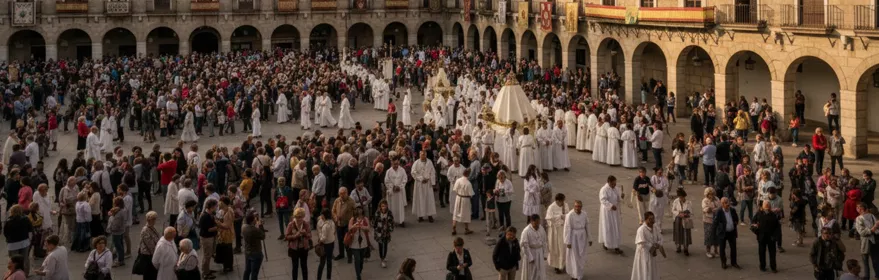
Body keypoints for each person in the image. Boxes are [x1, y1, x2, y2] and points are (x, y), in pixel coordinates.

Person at [631, 211, 663, 280]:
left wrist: (659, 244)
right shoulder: (641, 230)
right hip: (644, 254)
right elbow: (642, 243)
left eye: (653, 219)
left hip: (652, 253)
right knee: (645, 270)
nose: (652, 221)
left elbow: (660, 237)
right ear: (645, 220)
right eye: (650, 219)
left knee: (652, 269)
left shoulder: (655, 227)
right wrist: (653, 246)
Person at [564, 200, 592, 280]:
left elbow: (587, 225)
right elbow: (567, 228)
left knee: (581, 256)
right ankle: (574, 275)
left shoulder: (584, 214)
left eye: (579, 206)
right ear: (574, 206)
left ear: (581, 207)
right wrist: (568, 241)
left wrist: (590, 238)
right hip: (573, 237)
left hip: (582, 236)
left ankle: (579, 274)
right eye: (576, 206)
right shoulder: (570, 215)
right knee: (574, 256)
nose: (577, 208)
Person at [712, 197, 741, 269]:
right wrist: (714, 234)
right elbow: (715, 223)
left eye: (728, 202)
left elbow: (736, 218)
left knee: (733, 248)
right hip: (723, 232)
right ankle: (723, 263)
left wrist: (735, 222)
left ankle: (734, 262)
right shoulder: (719, 212)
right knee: (722, 248)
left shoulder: (732, 210)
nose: (728, 204)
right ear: (722, 204)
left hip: (731, 232)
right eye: (726, 203)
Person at [753, 201, 781, 272]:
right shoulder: (759, 214)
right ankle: (762, 266)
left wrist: (775, 236)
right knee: (761, 252)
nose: (767, 208)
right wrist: (757, 232)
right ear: (763, 207)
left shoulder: (773, 215)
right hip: (761, 237)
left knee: (772, 253)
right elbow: (753, 224)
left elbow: (777, 227)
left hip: (771, 237)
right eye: (766, 206)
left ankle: (773, 267)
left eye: (768, 206)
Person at [4, 205, 32, 275]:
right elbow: (30, 230)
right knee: (25, 259)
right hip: (24, 242)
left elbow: (6, 233)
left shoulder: (8, 221)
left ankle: (15, 274)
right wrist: (30, 239)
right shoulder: (26, 219)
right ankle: (25, 274)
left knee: (14, 261)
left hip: (13, 244)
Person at [598, 175, 623, 254]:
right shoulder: (604, 189)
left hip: (615, 211)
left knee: (616, 227)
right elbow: (603, 200)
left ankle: (616, 245)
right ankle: (606, 243)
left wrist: (621, 196)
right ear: (608, 182)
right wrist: (611, 206)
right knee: (608, 227)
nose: (614, 185)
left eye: (615, 183)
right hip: (607, 212)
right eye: (612, 184)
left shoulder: (616, 188)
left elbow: (618, 198)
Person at [545, 193, 568, 274]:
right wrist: (560, 216)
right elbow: (549, 218)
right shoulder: (551, 207)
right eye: (561, 201)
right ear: (557, 201)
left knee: (562, 247)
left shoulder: (565, 205)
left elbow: (567, 215)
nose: (563, 203)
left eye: (563, 201)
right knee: (555, 248)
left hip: (562, 229)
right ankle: (556, 265)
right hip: (554, 231)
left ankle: (563, 264)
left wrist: (563, 217)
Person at [855, 202, 879, 279]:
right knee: (875, 260)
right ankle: (877, 275)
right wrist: (874, 228)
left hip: (866, 242)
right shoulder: (872, 216)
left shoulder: (859, 218)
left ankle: (867, 276)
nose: (856, 209)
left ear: (861, 209)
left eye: (857, 208)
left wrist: (872, 229)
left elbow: (862, 232)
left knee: (866, 261)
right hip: (874, 241)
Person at [286, 207, 312, 280]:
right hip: (294, 249)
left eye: (300, 217)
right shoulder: (291, 224)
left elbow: (310, 235)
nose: (299, 219)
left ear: (303, 217)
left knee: (304, 266)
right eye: (297, 217)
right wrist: (295, 236)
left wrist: (305, 234)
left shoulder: (306, 224)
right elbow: (287, 236)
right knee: (295, 267)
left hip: (304, 248)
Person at [520, 214, 547, 280]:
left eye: (539, 222)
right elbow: (524, 245)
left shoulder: (541, 228)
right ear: (531, 221)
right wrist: (530, 257)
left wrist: (545, 254)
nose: (538, 224)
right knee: (531, 272)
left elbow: (544, 241)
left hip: (539, 252)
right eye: (536, 222)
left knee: (540, 271)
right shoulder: (526, 231)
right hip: (531, 253)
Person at [412, 150, 437, 222]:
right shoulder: (416, 163)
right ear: (419, 155)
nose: (423, 156)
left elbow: (433, 172)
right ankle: (420, 215)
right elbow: (413, 172)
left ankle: (430, 215)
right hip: (420, 184)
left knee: (429, 199)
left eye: (424, 154)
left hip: (428, 183)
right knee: (420, 199)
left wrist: (431, 181)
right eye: (422, 154)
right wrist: (421, 178)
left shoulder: (429, 162)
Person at [332, 187, 355, 262]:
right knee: (340, 240)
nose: (342, 195)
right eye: (340, 193)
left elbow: (355, 211)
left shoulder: (351, 201)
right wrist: (335, 218)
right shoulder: (337, 200)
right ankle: (341, 254)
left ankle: (349, 256)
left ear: (347, 193)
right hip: (339, 224)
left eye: (343, 193)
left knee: (347, 240)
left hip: (347, 224)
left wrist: (353, 221)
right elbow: (333, 210)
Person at [349, 207, 372, 280]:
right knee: (357, 259)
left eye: (360, 210)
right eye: (358, 210)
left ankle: (360, 269)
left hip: (363, 243)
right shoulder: (353, 219)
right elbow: (349, 228)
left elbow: (368, 228)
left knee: (361, 259)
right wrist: (355, 225)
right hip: (354, 243)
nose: (359, 211)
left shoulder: (365, 219)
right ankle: (358, 276)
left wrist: (362, 227)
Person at [137, 211, 161, 280]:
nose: (155, 221)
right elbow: (150, 245)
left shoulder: (152, 227)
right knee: (148, 274)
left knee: (152, 274)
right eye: (153, 219)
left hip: (152, 254)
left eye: (155, 219)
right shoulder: (145, 230)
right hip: (148, 255)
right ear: (148, 220)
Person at [199, 199, 219, 279]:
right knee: (206, 256)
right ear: (212, 207)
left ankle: (207, 270)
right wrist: (218, 227)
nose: (216, 208)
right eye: (215, 206)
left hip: (211, 237)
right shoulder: (205, 216)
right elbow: (208, 229)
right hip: (206, 238)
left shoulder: (211, 214)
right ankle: (205, 273)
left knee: (209, 254)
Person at [385, 159, 408, 227]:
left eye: (397, 164)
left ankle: (401, 221)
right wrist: (393, 187)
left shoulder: (402, 170)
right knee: (392, 207)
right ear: (391, 164)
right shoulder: (388, 171)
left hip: (399, 191)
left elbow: (405, 179)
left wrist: (400, 187)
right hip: (392, 192)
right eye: (394, 164)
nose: (396, 166)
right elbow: (386, 181)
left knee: (400, 207)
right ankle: (392, 221)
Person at [242, 211, 265, 280]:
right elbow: (263, 236)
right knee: (254, 273)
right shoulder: (254, 230)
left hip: (248, 251)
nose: (256, 219)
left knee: (247, 270)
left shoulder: (244, 226)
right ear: (252, 221)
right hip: (256, 252)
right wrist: (260, 226)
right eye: (254, 219)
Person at [215, 197, 235, 272]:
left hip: (227, 234)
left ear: (223, 203)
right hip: (223, 234)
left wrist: (218, 223)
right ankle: (226, 265)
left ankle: (228, 266)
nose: (218, 203)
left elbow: (227, 226)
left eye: (219, 202)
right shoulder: (223, 211)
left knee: (227, 250)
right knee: (225, 250)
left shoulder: (229, 212)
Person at [452, 167, 475, 235]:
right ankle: (466, 229)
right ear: (468, 174)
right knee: (466, 214)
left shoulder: (458, 180)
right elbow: (471, 194)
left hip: (458, 198)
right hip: (465, 199)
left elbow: (455, 189)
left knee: (456, 212)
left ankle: (454, 227)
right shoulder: (468, 183)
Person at [671, 188, 693, 256]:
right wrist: (678, 213)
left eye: (682, 197)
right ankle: (678, 246)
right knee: (678, 233)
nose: (681, 198)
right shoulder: (675, 201)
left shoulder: (688, 202)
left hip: (685, 220)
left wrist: (686, 214)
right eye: (680, 197)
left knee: (686, 234)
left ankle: (686, 248)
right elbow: (673, 210)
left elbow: (691, 212)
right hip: (678, 219)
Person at [317, 209, 336, 280]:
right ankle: (328, 277)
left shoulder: (325, 226)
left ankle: (319, 278)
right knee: (329, 261)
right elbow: (334, 231)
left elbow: (323, 238)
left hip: (325, 245)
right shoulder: (332, 222)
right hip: (332, 243)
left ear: (324, 215)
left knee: (322, 262)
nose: (321, 216)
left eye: (322, 215)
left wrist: (319, 241)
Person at [702, 188, 720, 259]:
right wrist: (713, 209)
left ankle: (716, 251)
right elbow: (706, 210)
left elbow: (720, 207)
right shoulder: (705, 200)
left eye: (712, 194)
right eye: (709, 194)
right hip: (707, 220)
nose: (711, 196)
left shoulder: (717, 199)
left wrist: (712, 209)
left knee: (716, 235)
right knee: (708, 236)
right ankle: (708, 251)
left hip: (716, 220)